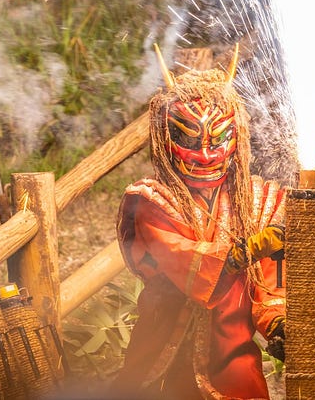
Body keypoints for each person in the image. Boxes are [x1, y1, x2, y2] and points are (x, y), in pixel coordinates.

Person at [113, 47, 287, 399]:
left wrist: (279, 326)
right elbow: (183, 258)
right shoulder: (151, 200)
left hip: (232, 355)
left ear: (236, 136)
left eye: (218, 139)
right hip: (162, 350)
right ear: (166, 139)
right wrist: (246, 250)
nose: (205, 155)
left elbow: (268, 287)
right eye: (190, 140)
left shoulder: (258, 201)